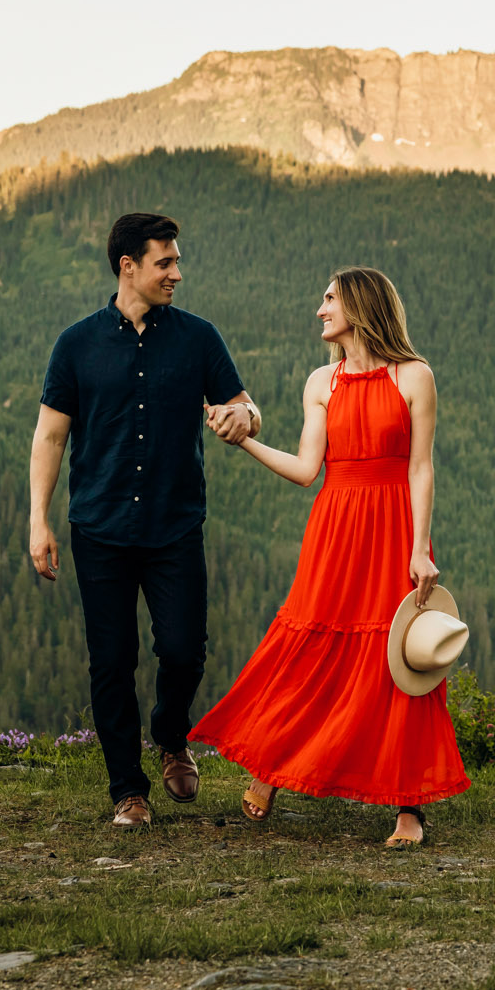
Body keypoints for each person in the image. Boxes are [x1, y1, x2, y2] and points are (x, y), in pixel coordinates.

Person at [190, 266, 469, 846]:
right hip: (335, 528)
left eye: (329, 300)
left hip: (394, 528)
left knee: (400, 663)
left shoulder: (415, 377)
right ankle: (271, 766)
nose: (320, 310)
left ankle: (408, 810)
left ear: (360, 307)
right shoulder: (322, 381)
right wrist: (243, 440)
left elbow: (421, 467)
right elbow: (305, 470)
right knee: (307, 647)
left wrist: (420, 548)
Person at [28, 213, 262, 828]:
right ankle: (127, 791)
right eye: (165, 262)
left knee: (184, 650)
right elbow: (51, 437)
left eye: (177, 261)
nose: (177, 273)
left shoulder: (198, 338)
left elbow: (243, 405)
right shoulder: (75, 344)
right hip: (99, 528)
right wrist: (38, 520)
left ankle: (169, 735)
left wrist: (248, 418)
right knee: (111, 659)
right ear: (128, 266)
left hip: (175, 527)